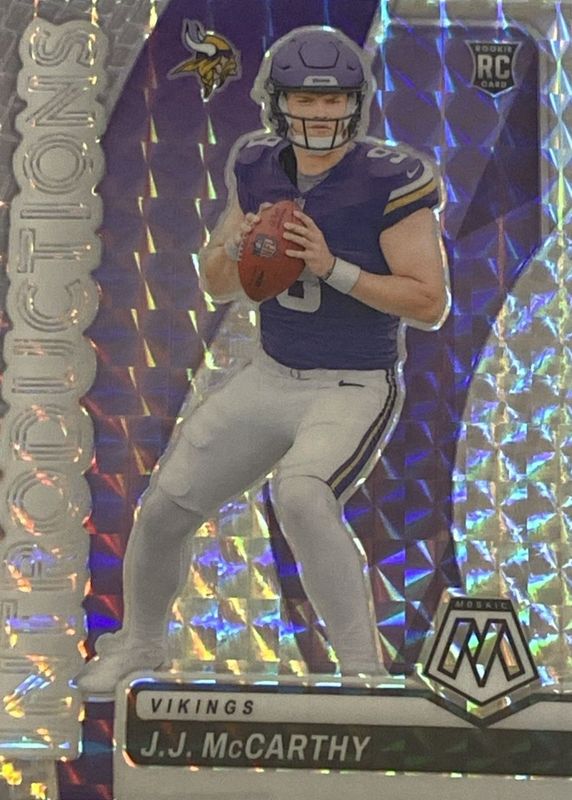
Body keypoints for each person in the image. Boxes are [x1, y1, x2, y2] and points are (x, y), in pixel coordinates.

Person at [76, 26, 449, 697]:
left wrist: (331, 268)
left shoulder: (388, 180)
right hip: (271, 374)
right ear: (279, 103)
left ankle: (363, 674)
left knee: (301, 495)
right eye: (305, 99)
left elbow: (429, 303)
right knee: (163, 509)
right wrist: (238, 247)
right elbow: (218, 282)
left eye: (333, 100)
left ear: (355, 104)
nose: (320, 114)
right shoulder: (257, 165)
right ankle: (139, 642)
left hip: (352, 383)